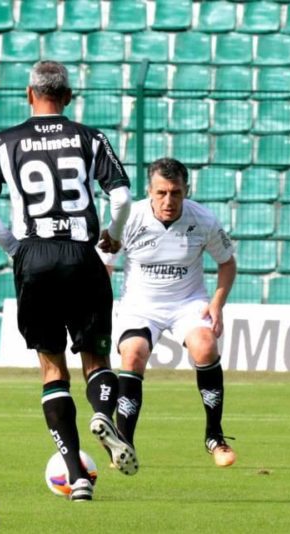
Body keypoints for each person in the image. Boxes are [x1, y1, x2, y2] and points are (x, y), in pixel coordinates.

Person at [0, 61, 136, 500]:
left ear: (29, 94)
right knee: (96, 360)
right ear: (70, 95)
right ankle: (103, 414)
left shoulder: (5, 141)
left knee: (51, 368)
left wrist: (13, 246)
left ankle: (77, 478)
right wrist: (112, 237)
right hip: (82, 256)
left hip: (34, 257)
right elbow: (121, 196)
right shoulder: (89, 137)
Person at [99, 157, 237, 468]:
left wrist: (216, 304)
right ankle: (124, 444)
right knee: (133, 353)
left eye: (176, 192)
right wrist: (99, 310)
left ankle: (214, 436)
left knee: (205, 346)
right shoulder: (127, 219)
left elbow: (227, 263)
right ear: (149, 191)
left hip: (187, 302)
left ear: (186, 190)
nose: (168, 200)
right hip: (139, 306)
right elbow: (103, 266)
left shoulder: (203, 220)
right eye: (161, 193)